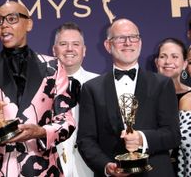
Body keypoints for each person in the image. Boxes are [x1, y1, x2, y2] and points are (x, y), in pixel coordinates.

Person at [0, 0, 75, 177]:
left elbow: (67, 122)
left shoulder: (54, 67)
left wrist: (40, 132)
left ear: (29, 24)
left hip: (43, 170)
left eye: (12, 19)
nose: (4, 25)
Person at [76, 18, 181, 177]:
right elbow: (86, 140)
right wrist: (106, 166)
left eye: (133, 37)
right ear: (108, 45)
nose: (128, 43)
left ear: (140, 42)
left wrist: (142, 138)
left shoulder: (162, 84)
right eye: (120, 38)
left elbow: (173, 135)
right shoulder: (92, 88)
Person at [52, 22, 98, 177]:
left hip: (92, 168)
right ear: (54, 50)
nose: (69, 49)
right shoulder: (41, 88)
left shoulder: (101, 84)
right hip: (52, 167)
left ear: (84, 50)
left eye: (75, 44)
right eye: (63, 44)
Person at [154, 37, 191, 177]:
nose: (168, 61)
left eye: (175, 57)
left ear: (184, 64)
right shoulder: (143, 97)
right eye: (163, 56)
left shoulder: (190, 97)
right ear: (157, 62)